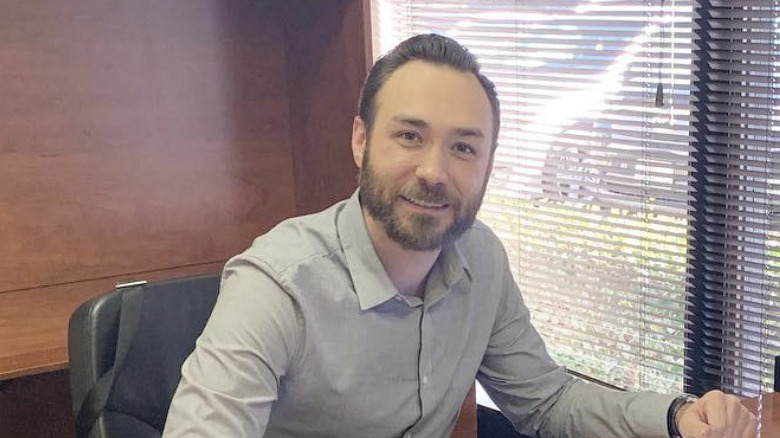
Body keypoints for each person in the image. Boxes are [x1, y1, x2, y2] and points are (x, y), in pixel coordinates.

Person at [162, 34, 756, 438]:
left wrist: (677, 418)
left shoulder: (481, 262)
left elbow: (548, 403)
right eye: (409, 136)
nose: (435, 171)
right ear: (361, 141)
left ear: (488, 166)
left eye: (464, 147)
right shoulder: (278, 285)